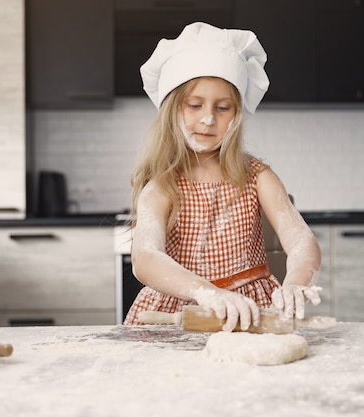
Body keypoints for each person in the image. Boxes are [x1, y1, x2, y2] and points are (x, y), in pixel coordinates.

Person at [123, 22, 322, 332]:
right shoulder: (162, 185)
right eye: (194, 105)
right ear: (172, 110)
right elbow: (145, 258)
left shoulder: (257, 177)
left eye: (222, 107)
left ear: (237, 115)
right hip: (181, 312)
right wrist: (208, 292)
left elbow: (301, 240)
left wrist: (296, 283)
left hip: (251, 312)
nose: (208, 118)